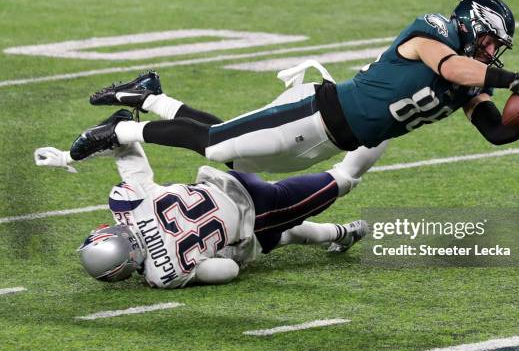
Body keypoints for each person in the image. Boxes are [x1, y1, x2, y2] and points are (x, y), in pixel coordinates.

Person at [69, 0, 519, 176]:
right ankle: (120, 130)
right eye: (494, 42)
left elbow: (495, 132)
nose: (494, 53)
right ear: (473, 25)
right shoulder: (435, 32)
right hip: (316, 111)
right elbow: (450, 67)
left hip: (331, 144)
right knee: (218, 148)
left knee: (233, 155)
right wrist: (518, 79)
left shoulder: (474, 85)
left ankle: (150, 95)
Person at [34, 116, 368, 289]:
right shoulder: (127, 203)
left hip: (256, 211)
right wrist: (75, 153)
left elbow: (228, 269)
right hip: (225, 177)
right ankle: (341, 233)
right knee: (275, 235)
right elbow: (127, 150)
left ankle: (382, 125)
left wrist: (203, 258)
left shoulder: (162, 275)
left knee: (343, 179)